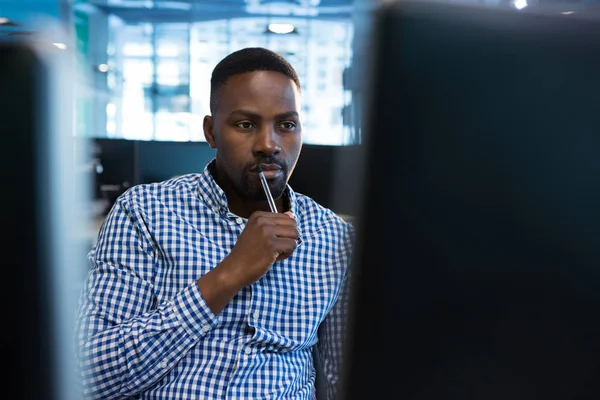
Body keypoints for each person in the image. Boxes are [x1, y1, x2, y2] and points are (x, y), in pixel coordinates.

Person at [75, 47, 354, 400]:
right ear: (211, 132)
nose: (269, 144)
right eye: (246, 124)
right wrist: (229, 274)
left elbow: (340, 379)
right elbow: (87, 378)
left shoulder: (334, 238)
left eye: (286, 125)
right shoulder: (145, 212)